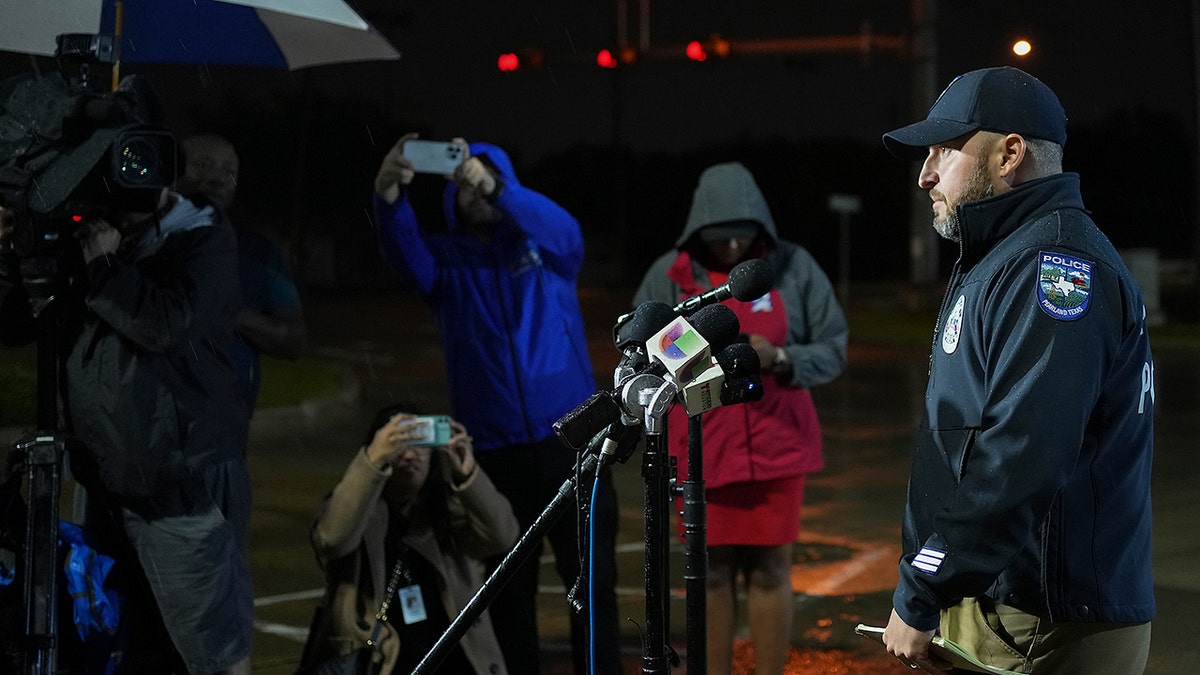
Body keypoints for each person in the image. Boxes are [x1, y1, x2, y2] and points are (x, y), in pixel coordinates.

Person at [878, 66, 1155, 674]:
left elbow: (1023, 454)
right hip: (1016, 607)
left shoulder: (1054, 266)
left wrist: (924, 587)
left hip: (1049, 620)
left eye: (945, 151)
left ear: (1009, 154)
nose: (925, 175)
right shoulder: (1008, 256)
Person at [0, 74, 252, 674]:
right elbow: (15, 326)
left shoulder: (203, 238)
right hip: (107, 488)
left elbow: (167, 322)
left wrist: (107, 267)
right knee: (125, 650)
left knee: (210, 658)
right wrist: (14, 258)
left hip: (179, 492)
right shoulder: (89, 237)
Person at [372, 133, 622, 674]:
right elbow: (402, 250)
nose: (472, 186)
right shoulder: (444, 265)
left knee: (593, 583)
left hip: (574, 444)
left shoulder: (548, 250)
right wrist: (389, 193)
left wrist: (500, 189)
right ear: (448, 197)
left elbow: (567, 231)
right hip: (495, 453)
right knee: (508, 595)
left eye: (481, 176)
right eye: (462, 180)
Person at [632, 161, 848, 675]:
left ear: (761, 229)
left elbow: (833, 346)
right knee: (709, 574)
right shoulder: (668, 274)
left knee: (773, 569)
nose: (731, 249)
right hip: (699, 447)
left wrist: (782, 358)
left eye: (741, 238)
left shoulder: (794, 267)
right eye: (718, 239)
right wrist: (695, 355)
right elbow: (639, 353)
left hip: (778, 444)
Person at [306, 406, 518, 674]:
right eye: (399, 444)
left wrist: (468, 474)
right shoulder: (358, 513)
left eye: (420, 443)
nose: (410, 455)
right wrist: (371, 462)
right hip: (383, 662)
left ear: (433, 451)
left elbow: (503, 537)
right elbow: (331, 540)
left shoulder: (447, 511)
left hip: (453, 662)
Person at [176, 132, 307, 412]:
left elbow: (294, 340)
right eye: (202, 165)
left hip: (224, 433)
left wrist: (233, 314)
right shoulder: (143, 242)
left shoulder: (260, 254)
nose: (217, 179)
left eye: (229, 171)